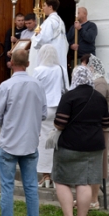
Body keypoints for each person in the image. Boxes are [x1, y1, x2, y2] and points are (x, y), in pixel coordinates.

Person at [0, 50, 47, 216]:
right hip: (30, 141)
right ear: (28, 63)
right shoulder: (38, 86)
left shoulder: (6, 86)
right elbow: (44, 114)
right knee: (31, 188)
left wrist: (10, 123)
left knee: (7, 188)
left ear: (11, 62)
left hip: (9, 141)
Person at [52, 66, 109, 216]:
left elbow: (59, 123)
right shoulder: (99, 98)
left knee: (62, 180)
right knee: (84, 182)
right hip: (94, 146)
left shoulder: (69, 96)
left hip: (69, 145)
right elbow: (105, 124)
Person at [32, 44, 66, 188]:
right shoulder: (61, 69)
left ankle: (45, 175)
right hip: (59, 107)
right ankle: (54, 174)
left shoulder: (38, 70)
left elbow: (34, 90)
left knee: (43, 142)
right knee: (55, 140)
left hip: (44, 108)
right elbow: (66, 88)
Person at [81, 54, 109, 210]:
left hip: (99, 128)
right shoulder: (93, 81)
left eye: (85, 66)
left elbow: (96, 105)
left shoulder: (99, 83)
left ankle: (94, 199)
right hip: (93, 127)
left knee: (98, 164)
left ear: (92, 67)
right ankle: (88, 198)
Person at [29, 0, 68, 84]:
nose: (43, 8)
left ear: (50, 7)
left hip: (50, 56)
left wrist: (36, 38)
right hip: (59, 53)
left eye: (44, 6)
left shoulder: (50, 22)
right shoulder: (60, 21)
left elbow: (44, 38)